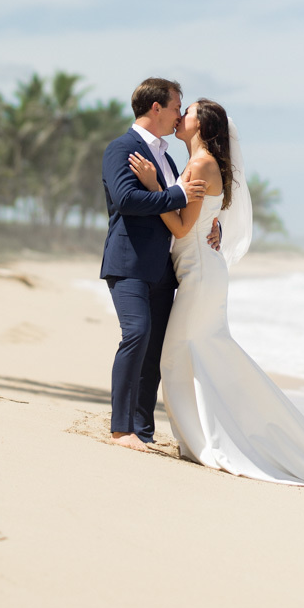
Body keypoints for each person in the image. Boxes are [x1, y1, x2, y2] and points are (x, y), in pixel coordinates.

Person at [133, 97, 304, 493]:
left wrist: (154, 187)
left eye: (187, 112)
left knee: (182, 355)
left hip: (199, 274)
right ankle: (204, 436)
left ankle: (209, 439)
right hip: (201, 271)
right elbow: (206, 218)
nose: (179, 116)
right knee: (200, 353)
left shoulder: (200, 163)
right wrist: (215, 227)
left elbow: (179, 228)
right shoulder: (197, 162)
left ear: (202, 125)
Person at [100, 77, 219, 452]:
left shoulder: (167, 158)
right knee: (136, 335)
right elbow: (126, 199)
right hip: (129, 262)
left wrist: (213, 223)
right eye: (174, 108)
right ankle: (121, 430)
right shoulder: (121, 148)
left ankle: (143, 430)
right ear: (156, 108)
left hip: (164, 269)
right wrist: (175, 193)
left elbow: (187, 209)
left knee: (154, 350)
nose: (177, 115)